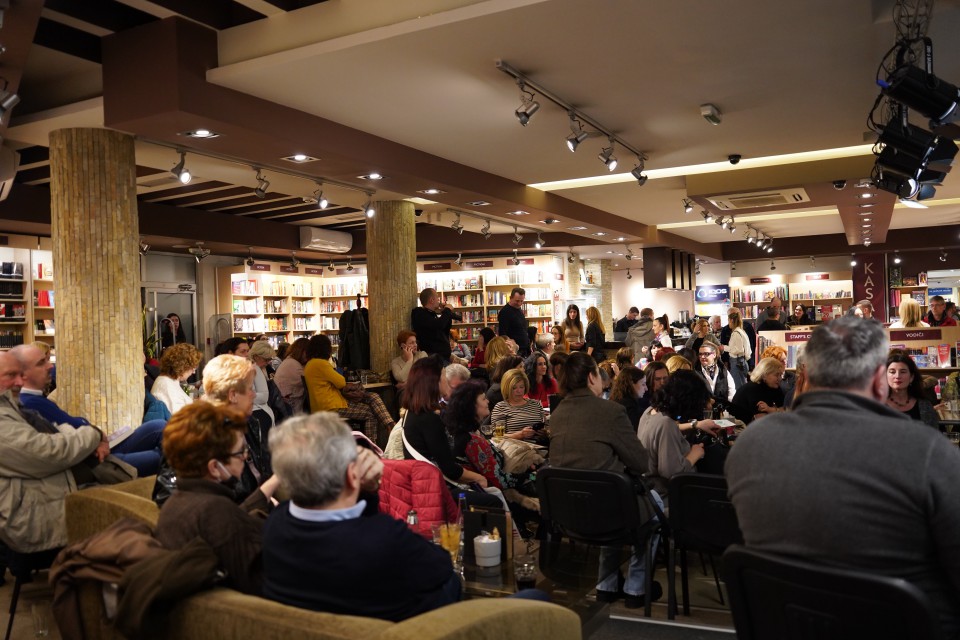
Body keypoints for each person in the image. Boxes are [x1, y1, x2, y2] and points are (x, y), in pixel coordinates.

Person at [725, 317, 960, 639]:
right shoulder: (926, 450)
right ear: (879, 381)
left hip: (787, 624)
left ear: (805, 375)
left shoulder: (750, 445)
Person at [261, 412, 467, 621]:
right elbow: (443, 568)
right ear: (352, 475)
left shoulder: (274, 525)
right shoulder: (384, 537)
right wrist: (370, 488)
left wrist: (364, 491)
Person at [548, 352, 660, 607]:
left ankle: (606, 585)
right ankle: (636, 588)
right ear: (591, 377)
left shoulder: (557, 414)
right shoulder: (611, 411)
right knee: (653, 507)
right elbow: (641, 462)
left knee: (608, 495)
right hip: (609, 512)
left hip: (567, 514)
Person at [155, 402, 281, 595]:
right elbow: (261, 584)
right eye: (240, 452)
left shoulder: (176, 503)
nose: (246, 457)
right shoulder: (216, 511)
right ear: (214, 467)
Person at [0, 352, 102, 552]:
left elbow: (55, 431)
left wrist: (85, 435)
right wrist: (94, 434)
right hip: (33, 518)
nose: (20, 382)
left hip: (50, 495)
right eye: (11, 375)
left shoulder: (14, 406)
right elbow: (49, 452)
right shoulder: (12, 411)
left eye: (20, 374)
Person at [13, 344, 165, 476]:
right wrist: (96, 436)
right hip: (91, 461)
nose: (50, 366)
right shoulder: (30, 404)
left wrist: (95, 435)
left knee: (158, 426)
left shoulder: (34, 400)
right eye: (41, 363)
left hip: (93, 447)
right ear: (22, 374)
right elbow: (65, 439)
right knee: (167, 455)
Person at [400, 358, 499, 508]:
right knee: (494, 501)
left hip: (421, 484)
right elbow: (449, 469)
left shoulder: (413, 413)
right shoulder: (430, 419)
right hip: (433, 489)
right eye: (443, 376)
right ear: (434, 382)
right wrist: (478, 477)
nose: (446, 381)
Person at [303, 335, 394, 442]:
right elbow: (341, 382)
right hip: (332, 406)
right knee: (369, 412)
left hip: (323, 405)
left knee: (373, 396)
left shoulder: (309, 365)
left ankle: (390, 425)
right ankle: (371, 444)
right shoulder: (321, 364)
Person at [636, 370, 710, 498]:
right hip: (668, 495)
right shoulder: (666, 424)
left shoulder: (649, 412)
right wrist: (695, 454)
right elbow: (672, 473)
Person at [886, 351, 938, 428]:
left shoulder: (925, 405)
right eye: (892, 372)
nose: (897, 376)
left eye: (903, 372)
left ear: (911, 377)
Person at [491, 368, 545, 442]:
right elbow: (497, 436)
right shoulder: (501, 407)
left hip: (539, 444)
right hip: (514, 446)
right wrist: (520, 435)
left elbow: (547, 427)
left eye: (521, 387)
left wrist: (544, 432)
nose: (519, 391)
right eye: (514, 388)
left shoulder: (536, 404)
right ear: (507, 388)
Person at [728, 357, 786, 425]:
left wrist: (770, 409)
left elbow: (786, 410)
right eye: (776, 375)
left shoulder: (774, 387)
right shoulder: (754, 389)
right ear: (764, 375)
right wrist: (776, 410)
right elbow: (761, 421)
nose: (780, 378)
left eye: (780, 375)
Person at [151, 342, 202, 416]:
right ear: (183, 366)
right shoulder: (167, 387)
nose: (194, 372)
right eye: (193, 368)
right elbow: (179, 418)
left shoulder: (169, 381)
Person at [410, 288, 461, 359]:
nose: (439, 300)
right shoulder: (420, 314)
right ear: (431, 300)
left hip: (442, 357)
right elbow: (439, 325)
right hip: (433, 358)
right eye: (437, 298)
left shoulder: (431, 314)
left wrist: (446, 313)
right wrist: (447, 310)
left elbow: (444, 330)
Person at [695, 340, 737, 408]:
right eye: (700, 354)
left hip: (722, 410)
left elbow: (731, 394)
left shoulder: (724, 372)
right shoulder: (695, 373)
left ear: (714, 355)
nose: (702, 357)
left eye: (706, 354)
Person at [273, 337, 310, 411]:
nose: (309, 356)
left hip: (284, 402)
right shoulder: (294, 365)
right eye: (308, 352)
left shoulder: (289, 360)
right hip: (291, 406)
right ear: (302, 351)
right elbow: (309, 384)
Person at [723, 309, 752, 387]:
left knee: (738, 386)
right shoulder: (741, 331)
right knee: (741, 384)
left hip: (737, 362)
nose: (728, 323)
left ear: (731, 320)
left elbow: (739, 349)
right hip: (741, 361)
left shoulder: (736, 333)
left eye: (728, 321)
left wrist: (724, 348)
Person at [497, 287, 530, 356]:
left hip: (524, 349)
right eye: (517, 301)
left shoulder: (518, 309)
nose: (519, 303)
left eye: (522, 301)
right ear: (510, 298)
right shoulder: (505, 312)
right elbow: (503, 335)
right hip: (515, 351)